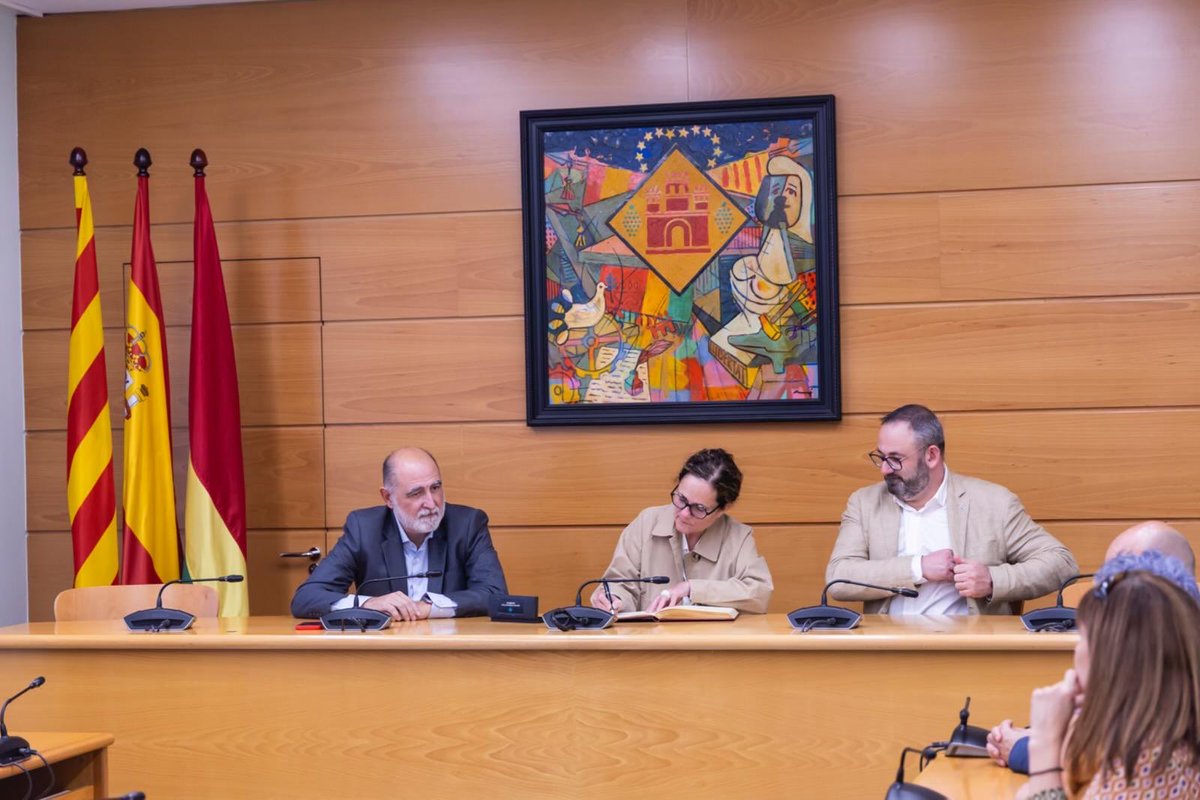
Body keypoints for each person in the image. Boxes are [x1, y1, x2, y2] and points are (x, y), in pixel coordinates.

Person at [825, 404, 1078, 614]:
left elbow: (1061, 564)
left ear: (931, 456)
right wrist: (919, 568)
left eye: (895, 459)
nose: (884, 469)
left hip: (971, 654)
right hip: (886, 652)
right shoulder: (864, 503)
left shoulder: (993, 503)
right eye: (881, 457)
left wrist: (992, 580)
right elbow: (838, 578)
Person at [989, 521, 1197, 773]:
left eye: (1117, 577)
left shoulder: (1163, 659)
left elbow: (1107, 757)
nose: (1106, 591)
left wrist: (1025, 747)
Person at [1016, 559, 1200, 799]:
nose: (1077, 650)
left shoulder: (1149, 767)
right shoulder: (1155, 738)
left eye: (1083, 638)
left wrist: (1045, 744)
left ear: (1111, 659)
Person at [290, 447, 507, 620]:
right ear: (388, 498)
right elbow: (306, 598)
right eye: (416, 493)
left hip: (450, 653)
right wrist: (367, 603)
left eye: (435, 488)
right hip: (384, 657)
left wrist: (430, 607)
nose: (431, 503)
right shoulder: (364, 528)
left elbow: (495, 594)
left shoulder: (467, 524)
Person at [590, 448, 772, 614]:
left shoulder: (738, 537)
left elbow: (759, 592)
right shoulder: (647, 522)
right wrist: (614, 599)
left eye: (699, 508)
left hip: (713, 647)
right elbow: (618, 582)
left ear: (722, 509)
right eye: (681, 499)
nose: (684, 513)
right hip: (651, 645)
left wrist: (691, 588)